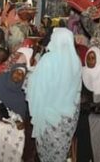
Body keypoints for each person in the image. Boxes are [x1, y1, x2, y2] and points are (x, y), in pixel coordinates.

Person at [27, 27, 81, 162]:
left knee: (46, 153)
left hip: (49, 116)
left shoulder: (49, 59)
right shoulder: (76, 61)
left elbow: (37, 86)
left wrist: (31, 75)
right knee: (60, 152)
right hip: (68, 117)